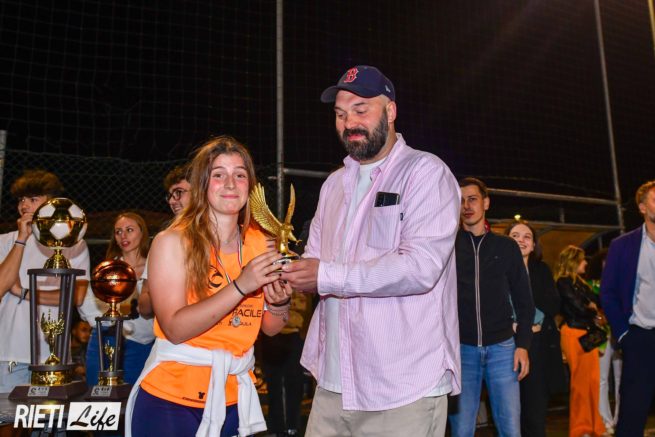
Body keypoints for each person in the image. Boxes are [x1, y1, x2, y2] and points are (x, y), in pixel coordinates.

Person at [280, 65, 461, 437]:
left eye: (361, 110)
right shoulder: (333, 185)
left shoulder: (425, 173)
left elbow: (420, 267)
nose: (350, 123)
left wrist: (325, 274)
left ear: (390, 111)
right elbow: (315, 262)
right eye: (340, 114)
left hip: (402, 388)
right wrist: (286, 276)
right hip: (332, 384)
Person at [125, 135, 293, 437]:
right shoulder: (173, 242)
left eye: (239, 175)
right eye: (219, 175)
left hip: (234, 398)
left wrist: (280, 302)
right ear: (202, 184)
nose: (230, 184)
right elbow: (175, 328)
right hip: (172, 399)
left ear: (250, 186)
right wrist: (241, 286)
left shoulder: (262, 243)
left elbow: (270, 327)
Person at [448, 177, 534, 437]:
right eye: (461, 200)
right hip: (462, 351)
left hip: (503, 350)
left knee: (510, 429)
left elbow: (525, 301)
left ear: (486, 202)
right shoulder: (447, 246)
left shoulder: (506, 246)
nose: (467, 206)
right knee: (462, 430)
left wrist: (523, 345)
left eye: (473, 199)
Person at [0, 170, 90, 393]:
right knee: (8, 415)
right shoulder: (5, 241)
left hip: (54, 354)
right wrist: (21, 239)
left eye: (33, 199)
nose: (24, 205)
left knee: (50, 414)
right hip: (10, 353)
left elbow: (75, 297)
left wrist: (23, 292)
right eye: (21, 199)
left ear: (51, 204)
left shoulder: (74, 243)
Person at [601, 180, 655, 437]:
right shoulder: (622, 245)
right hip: (639, 337)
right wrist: (624, 334)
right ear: (642, 207)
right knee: (633, 411)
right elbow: (608, 293)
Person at [78, 212, 155, 385]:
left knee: (131, 396)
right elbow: (88, 304)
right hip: (105, 337)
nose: (123, 236)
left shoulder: (154, 265)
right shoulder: (108, 268)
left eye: (129, 230)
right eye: (118, 232)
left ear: (142, 233)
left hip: (140, 342)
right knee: (97, 392)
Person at [505, 220, 563, 437]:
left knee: (535, 409)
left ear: (533, 245)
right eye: (515, 236)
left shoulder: (541, 270)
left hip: (538, 345)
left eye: (527, 237)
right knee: (510, 411)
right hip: (506, 344)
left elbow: (553, 304)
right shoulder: (497, 270)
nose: (521, 240)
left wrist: (526, 319)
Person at [556, 245, 606, 437]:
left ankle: (594, 426)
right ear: (573, 261)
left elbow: (597, 301)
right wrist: (592, 309)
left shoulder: (581, 283)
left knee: (592, 381)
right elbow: (579, 308)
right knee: (579, 384)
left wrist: (592, 307)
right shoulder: (563, 282)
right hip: (573, 334)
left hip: (587, 334)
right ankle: (579, 428)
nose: (586, 262)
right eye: (582, 259)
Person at [137, 163, 192, 319]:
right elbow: (144, 307)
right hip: (176, 327)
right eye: (170, 195)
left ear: (200, 192)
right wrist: (162, 288)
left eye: (179, 193)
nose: (172, 201)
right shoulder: (165, 240)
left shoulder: (221, 234)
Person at [587, 249, 621, 434]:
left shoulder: (622, 282)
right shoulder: (590, 285)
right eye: (605, 261)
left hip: (620, 334)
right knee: (601, 379)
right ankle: (604, 420)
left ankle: (620, 418)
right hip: (601, 336)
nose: (608, 264)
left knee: (621, 378)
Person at [70, 317, 92, 381]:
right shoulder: (64, 351)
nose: (88, 334)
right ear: (74, 331)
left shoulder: (90, 351)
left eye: (90, 331)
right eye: (83, 330)